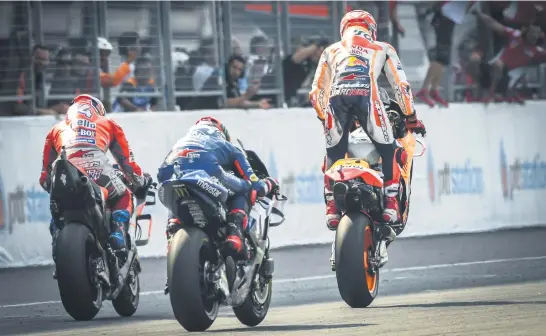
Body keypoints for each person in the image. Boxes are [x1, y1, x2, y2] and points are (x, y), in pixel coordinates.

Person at [309, 10, 426, 259]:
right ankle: (391, 204)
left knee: (333, 154)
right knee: (389, 150)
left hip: (336, 102)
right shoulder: (381, 47)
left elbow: (316, 90)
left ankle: (331, 205)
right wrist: (411, 116)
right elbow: (400, 85)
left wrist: (324, 118)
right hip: (368, 100)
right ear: (371, 29)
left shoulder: (331, 50)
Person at [39, 94, 153, 258]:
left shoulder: (55, 130)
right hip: (96, 167)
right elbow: (127, 165)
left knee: (57, 207)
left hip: (63, 172)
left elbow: (44, 178)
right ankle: (118, 233)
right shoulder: (108, 123)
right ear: (98, 110)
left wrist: (55, 189)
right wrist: (140, 181)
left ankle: (57, 238)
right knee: (124, 194)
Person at [157, 116, 278, 261]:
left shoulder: (180, 142)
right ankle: (235, 233)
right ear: (222, 133)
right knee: (246, 188)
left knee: (178, 187)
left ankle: (172, 233)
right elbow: (254, 182)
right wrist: (268, 184)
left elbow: (163, 171)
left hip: (167, 171)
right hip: (208, 168)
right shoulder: (226, 145)